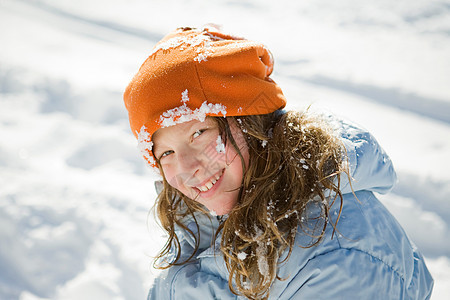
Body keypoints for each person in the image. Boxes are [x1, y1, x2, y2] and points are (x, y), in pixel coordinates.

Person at [123, 26, 434, 299]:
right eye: (166, 153)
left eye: (199, 132)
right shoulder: (216, 216)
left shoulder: (339, 259)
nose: (187, 167)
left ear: (250, 122)